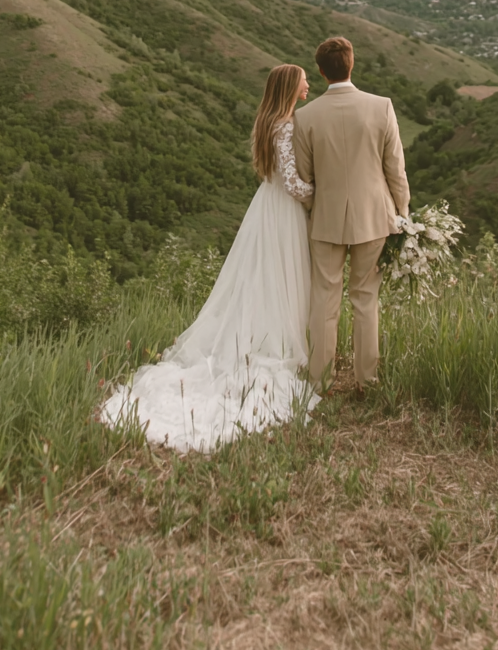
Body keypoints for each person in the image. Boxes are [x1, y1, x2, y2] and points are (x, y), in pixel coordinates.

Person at [100, 64, 318, 452]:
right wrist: (319, 195)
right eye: (303, 79)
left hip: (265, 208)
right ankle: (281, 344)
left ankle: (269, 337)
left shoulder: (269, 121)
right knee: (283, 275)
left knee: (263, 277)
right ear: (290, 86)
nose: (308, 84)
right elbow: (291, 182)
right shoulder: (286, 125)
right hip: (284, 211)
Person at [293, 36, 410, 392]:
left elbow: (304, 176)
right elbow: (396, 169)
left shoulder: (305, 116)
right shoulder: (382, 107)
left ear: (321, 71)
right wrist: (402, 214)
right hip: (374, 218)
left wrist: (316, 210)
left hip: (326, 220)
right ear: (351, 63)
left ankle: (319, 382)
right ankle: (366, 381)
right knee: (365, 299)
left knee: (324, 300)